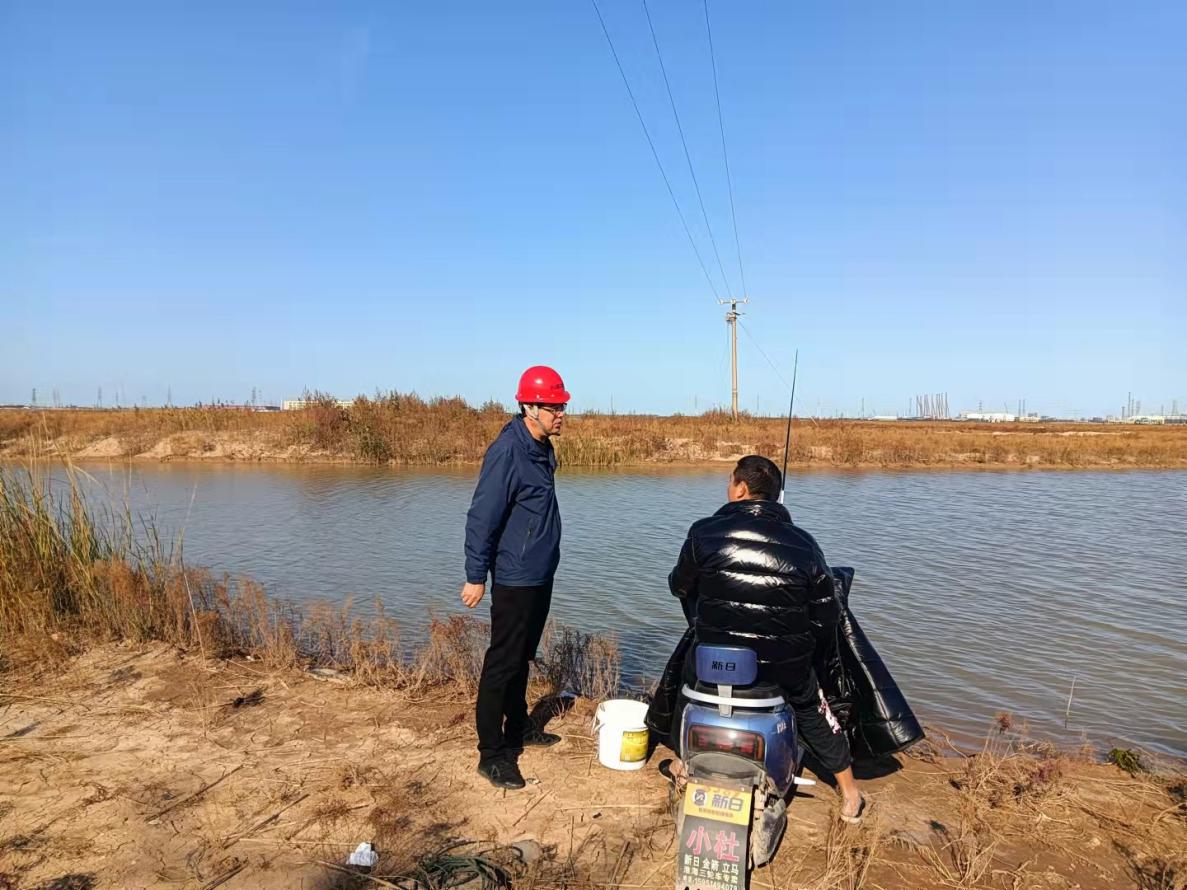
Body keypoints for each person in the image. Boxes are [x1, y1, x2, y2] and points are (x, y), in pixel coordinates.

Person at [667, 455, 868, 822]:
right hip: (782, 667)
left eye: (730, 481)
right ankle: (850, 794)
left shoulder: (703, 532)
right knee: (811, 707)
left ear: (741, 489)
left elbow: (679, 585)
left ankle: (682, 764)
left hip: (715, 663)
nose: (728, 487)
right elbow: (826, 612)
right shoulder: (804, 544)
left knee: (685, 684)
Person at [461, 365, 570, 790]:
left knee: (522, 656)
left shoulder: (540, 447)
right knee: (502, 662)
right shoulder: (507, 451)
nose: (560, 414)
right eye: (554, 407)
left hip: (539, 571)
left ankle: (519, 728)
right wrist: (475, 575)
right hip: (515, 576)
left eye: (562, 406)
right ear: (529, 407)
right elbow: (482, 517)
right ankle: (491, 754)